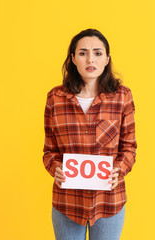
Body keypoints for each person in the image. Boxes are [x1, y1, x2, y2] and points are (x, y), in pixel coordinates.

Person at [42, 28, 137, 240]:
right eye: (83, 53)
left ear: (106, 59)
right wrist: (56, 169)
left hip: (109, 202)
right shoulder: (55, 98)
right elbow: (49, 151)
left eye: (97, 53)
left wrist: (118, 171)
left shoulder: (122, 96)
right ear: (73, 59)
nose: (90, 59)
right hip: (67, 203)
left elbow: (129, 147)